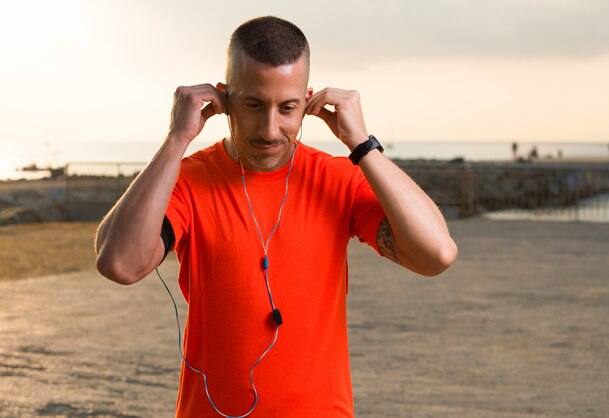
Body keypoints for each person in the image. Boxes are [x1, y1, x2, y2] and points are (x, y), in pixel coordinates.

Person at [95, 16, 457, 418]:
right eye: (253, 104)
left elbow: (436, 254)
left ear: (308, 101)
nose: (270, 129)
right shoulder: (188, 180)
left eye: (287, 108)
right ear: (224, 98)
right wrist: (177, 138)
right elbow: (120, 264)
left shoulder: (338, 178)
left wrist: (362, 144)